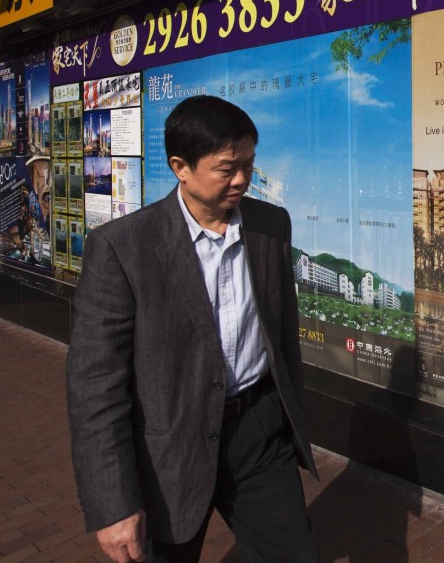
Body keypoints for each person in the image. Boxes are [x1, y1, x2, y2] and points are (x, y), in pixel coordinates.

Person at [67, 95, 319, 563]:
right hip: (169, 449)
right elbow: (95, 386)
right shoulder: (123, 249)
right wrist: (113, 504)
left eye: (248, 163)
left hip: (257, 433)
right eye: (227, 167)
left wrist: (284, 420)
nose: (242, 178)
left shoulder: (270, 227)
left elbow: (281, 335)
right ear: (181, 167)